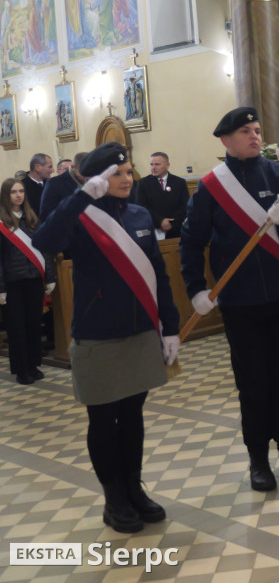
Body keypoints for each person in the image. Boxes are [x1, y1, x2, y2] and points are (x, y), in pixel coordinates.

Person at [34, 143, 179, 533]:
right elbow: (44, 242)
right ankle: (113, 497)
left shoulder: (140, 214)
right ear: (97, 178)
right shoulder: (82, 218)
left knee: (132, 417)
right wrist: (81, 198)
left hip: (139, 333)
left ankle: (134, 487)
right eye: (117, 174)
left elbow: (159, 276)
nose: (127, 179)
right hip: (98, 335)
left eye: (129, 172)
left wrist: (171, 326)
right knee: (103, 419)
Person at [180, 107, 279, 493]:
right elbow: (192, 243)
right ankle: (259, 459)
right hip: (242, 303)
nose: (255, 136)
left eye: (258, 130)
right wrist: (195, 289)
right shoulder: (211, 186)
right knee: (253, 383)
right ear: (225, 140)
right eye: (246, 131)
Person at [0, 178, 55, 384]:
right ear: (6, 195)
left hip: (33, 280)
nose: (18, 195)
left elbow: (44, 249)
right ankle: (22, 369)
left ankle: (33, 365)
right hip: (12, 284)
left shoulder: (32, 218)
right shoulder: (1, 222)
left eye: (21, 191)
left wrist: (50, 276)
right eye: (14, 192)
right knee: (16, 328)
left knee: (33, 325)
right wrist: (1, 288)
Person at [135, 152, 190, 239]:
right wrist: (160, 221)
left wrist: (172, 223)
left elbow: (185, 206)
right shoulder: (143, 183)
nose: (153, 168)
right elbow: (141, 206)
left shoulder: (179, 182)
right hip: (153, 229)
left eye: (157, 164)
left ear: (167, 165)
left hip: (175, 230)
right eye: (151, 164)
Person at [39, 151, 87, 221]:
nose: (87, 176)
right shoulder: (54, 183)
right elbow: (45, 214)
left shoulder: (93, 179)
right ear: (73, 167)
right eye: (83, 172)